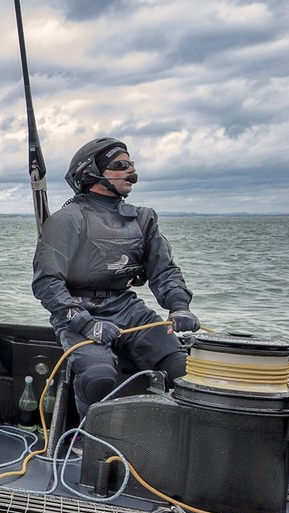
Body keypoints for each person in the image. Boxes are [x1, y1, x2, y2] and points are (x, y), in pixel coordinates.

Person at [32, 137, 200, 417]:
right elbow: (46, 283)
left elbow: (164, 270)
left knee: (182, 368)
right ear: (92, 173)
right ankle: (86, 441)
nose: (130, 171)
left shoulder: (143, 220)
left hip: (128, 309)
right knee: (97, 377)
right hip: (79, 311)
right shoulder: (67, 219)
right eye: (120, 165)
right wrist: (85, 323)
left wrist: (179, 305)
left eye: (131, 164)